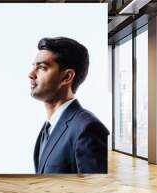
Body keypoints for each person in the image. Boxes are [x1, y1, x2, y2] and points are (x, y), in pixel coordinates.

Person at [29, 37, 109, 174]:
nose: (31, 74)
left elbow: (95, 191)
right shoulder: (48, 128)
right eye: (33, 66)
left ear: (67, 77)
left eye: (42, 67)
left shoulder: (87, 128)